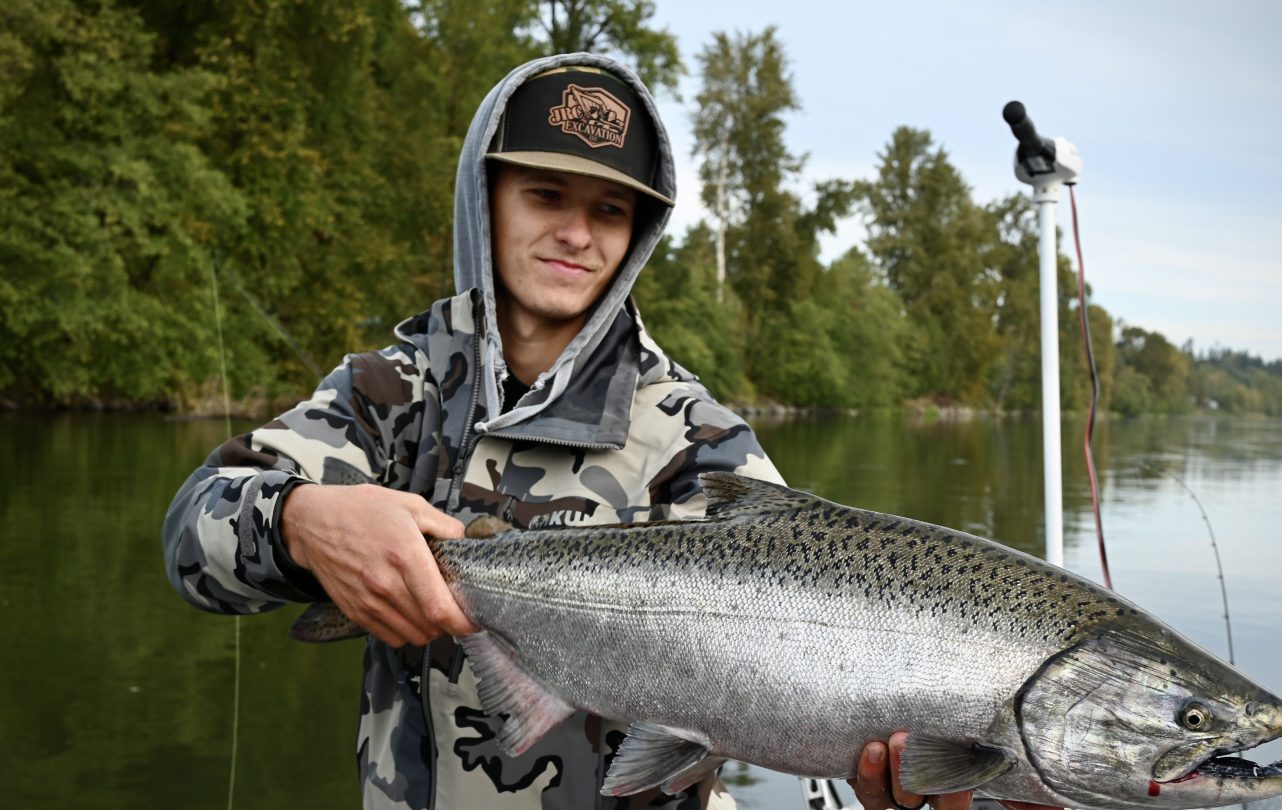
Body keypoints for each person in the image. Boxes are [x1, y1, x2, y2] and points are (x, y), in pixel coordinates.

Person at [163, 52, 1054, 810]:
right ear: (488, 199)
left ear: (638, 234)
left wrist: (902, 758)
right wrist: (301, 524)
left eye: (610, 211)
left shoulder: (698, 440)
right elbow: (190, 540)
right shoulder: (390, 391)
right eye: (546, 194)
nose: (577, 233)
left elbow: (809, 629)